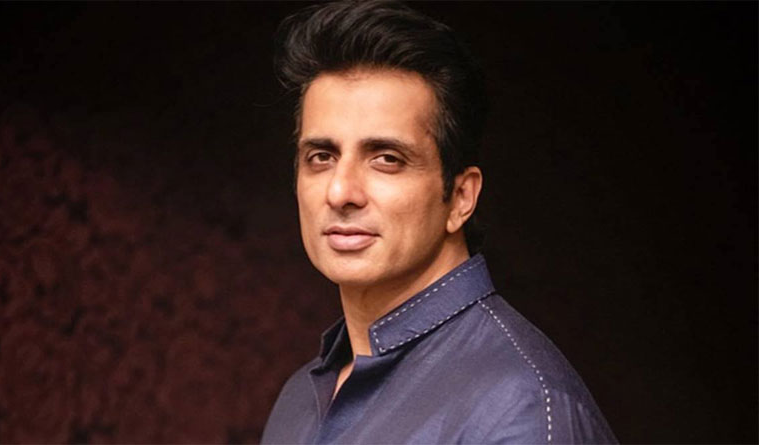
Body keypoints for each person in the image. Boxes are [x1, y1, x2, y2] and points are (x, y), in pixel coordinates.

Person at [262, 1, 617, 443]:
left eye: (387, 159)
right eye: (321, 157)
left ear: (461, 197)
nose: (340, 192)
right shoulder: (299, 399)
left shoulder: (521, 409)